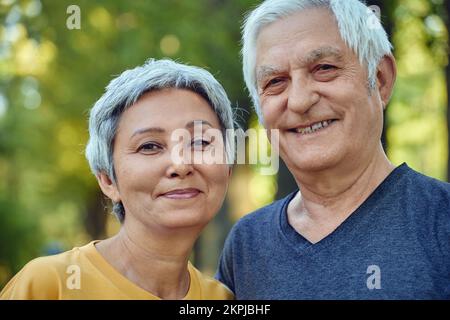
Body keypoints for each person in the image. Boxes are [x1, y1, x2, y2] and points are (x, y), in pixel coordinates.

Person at [216, 0, 450, 299]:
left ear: (380, 79)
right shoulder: (248, 245)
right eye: (275, 82)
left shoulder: (441, 222)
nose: (299, 101)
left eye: (324, 68)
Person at [1, 59, 235, 300]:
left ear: (227, 168)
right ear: (107, 180)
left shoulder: (222, 298)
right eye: (150, 146)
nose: (181, 165)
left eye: (200, 142)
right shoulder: (49, 285)